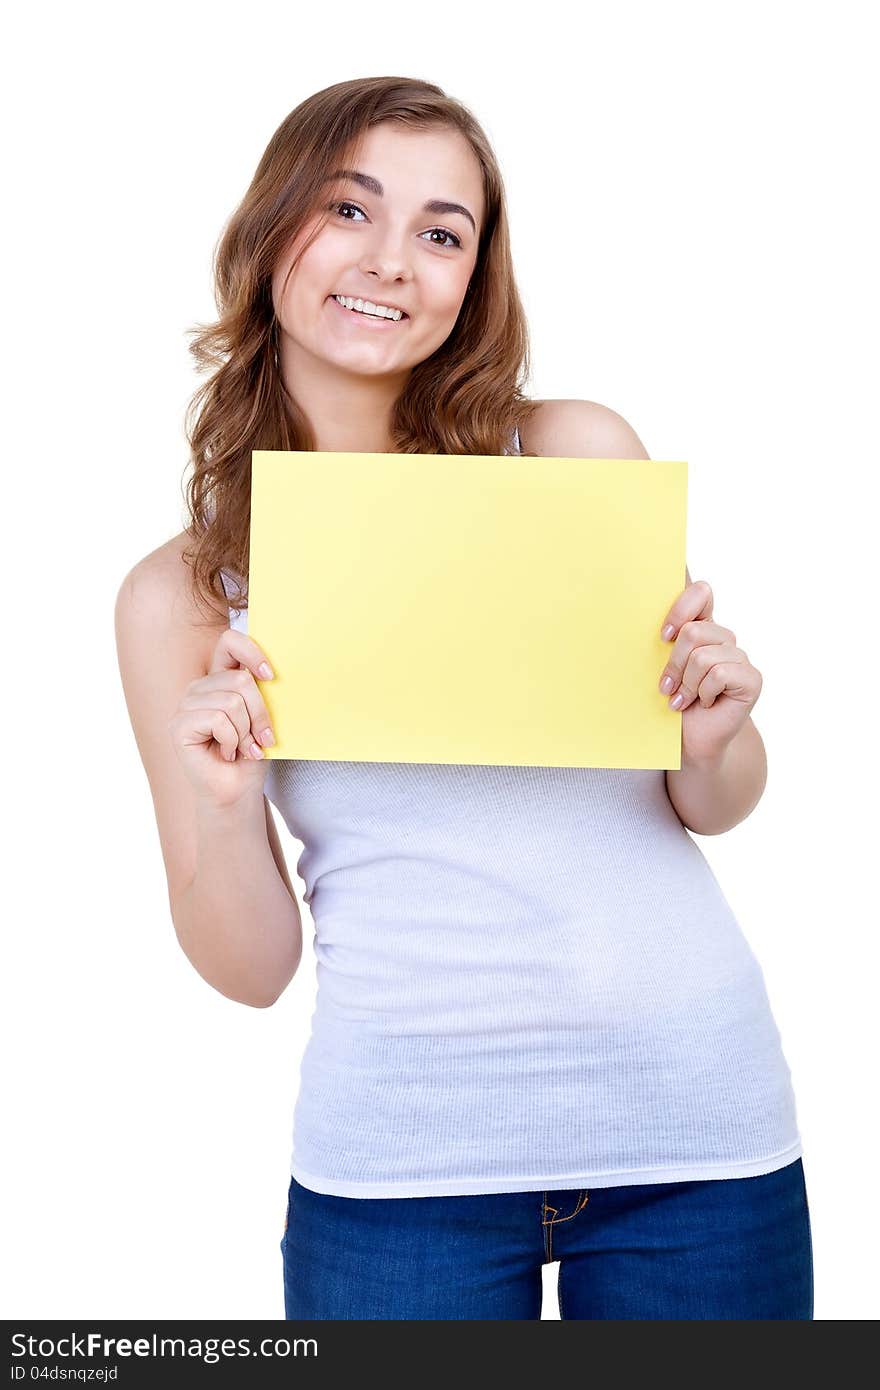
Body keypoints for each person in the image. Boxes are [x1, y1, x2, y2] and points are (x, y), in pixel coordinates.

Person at [114, 76, 813, 1320]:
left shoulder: (570, 456)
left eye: (442, 232)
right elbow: (250, 969)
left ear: (473, 276)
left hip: (692, 1141)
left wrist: (716, 735)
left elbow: (711, 800)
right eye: (349, 208)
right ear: (273, 227)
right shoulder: (179, 595)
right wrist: (227, 806)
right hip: (399, 1170)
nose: (393, 261)